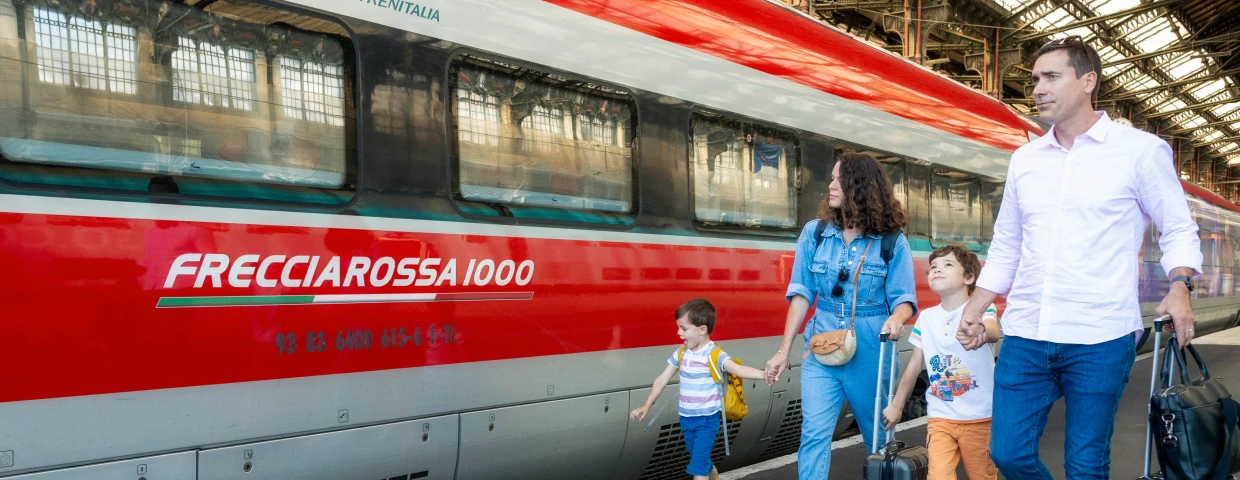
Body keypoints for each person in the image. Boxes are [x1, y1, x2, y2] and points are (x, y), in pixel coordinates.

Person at [955, 35, 1202, 479]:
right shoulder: (1026, 159)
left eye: (1051, 77)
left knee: (1085, 464)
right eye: (1035, 80)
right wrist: (975, 306)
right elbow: (1008, 243)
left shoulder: (1140, 151)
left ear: (1088, 81)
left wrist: (1180, 286)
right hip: (1028, 332)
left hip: (1100, 335)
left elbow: (1178, 228)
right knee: (1008, 453)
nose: (1038, 89)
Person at [763, 152, 918, 478]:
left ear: (861, 187)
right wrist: (783, 351)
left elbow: (904, 299)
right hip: (822, 346)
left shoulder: (892, 242)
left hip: (872, 349)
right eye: (832, 179)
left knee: (878, 438)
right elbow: (801, 294)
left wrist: (896, 319)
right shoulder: (815, 233)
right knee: (814, 434)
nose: (831, 186)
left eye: (839, 180)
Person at [883, 245, 1000, 480]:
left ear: (969, 277)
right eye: (933, 267)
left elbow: (993, 332)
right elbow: (914, 365)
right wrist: (897, 405)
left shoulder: (981, 309)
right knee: (938, 476)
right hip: (941, 418)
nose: (937, 270)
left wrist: (980, 330)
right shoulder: (926, 318)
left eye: (947, 265)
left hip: (980, 417)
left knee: (982, 476)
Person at [630, 299, 766, 480]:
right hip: (686, 419)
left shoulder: (714, 354)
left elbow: (738, 369)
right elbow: (662, 379)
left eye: (684, 329)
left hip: (707, 421)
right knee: (702, 461)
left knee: (698, 468)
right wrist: (646, 405)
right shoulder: (681, 353)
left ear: (702, 330)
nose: (678, 333)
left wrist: (764, 374)